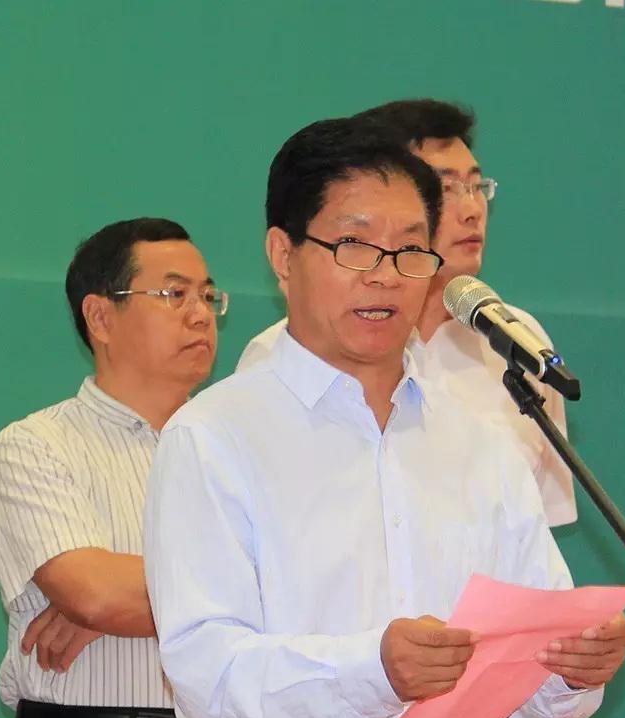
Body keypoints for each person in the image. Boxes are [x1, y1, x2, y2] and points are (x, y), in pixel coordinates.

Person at [144, 119, 625, 718]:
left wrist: (574, 668)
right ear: (283, 255)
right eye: (354, 246)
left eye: (409, 251)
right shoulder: (213, 436)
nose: (385, 276)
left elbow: (536, 711)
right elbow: (208, 679)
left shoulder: (484, 444)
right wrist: (373, 670)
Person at [238, 99, 576, 529]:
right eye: (445, 188)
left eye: (476, 186)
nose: (472, 209)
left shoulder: (516, 340)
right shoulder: (279, 357)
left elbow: (539, 529)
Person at [0, 217, 228, 718]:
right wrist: (245, 591)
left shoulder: (243, 452)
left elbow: (315, 596)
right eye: (174, 294)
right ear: (100, 317)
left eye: (207, 296)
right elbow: (95, 593)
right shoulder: (34, 446)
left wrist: (134, 601)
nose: (200, 314)